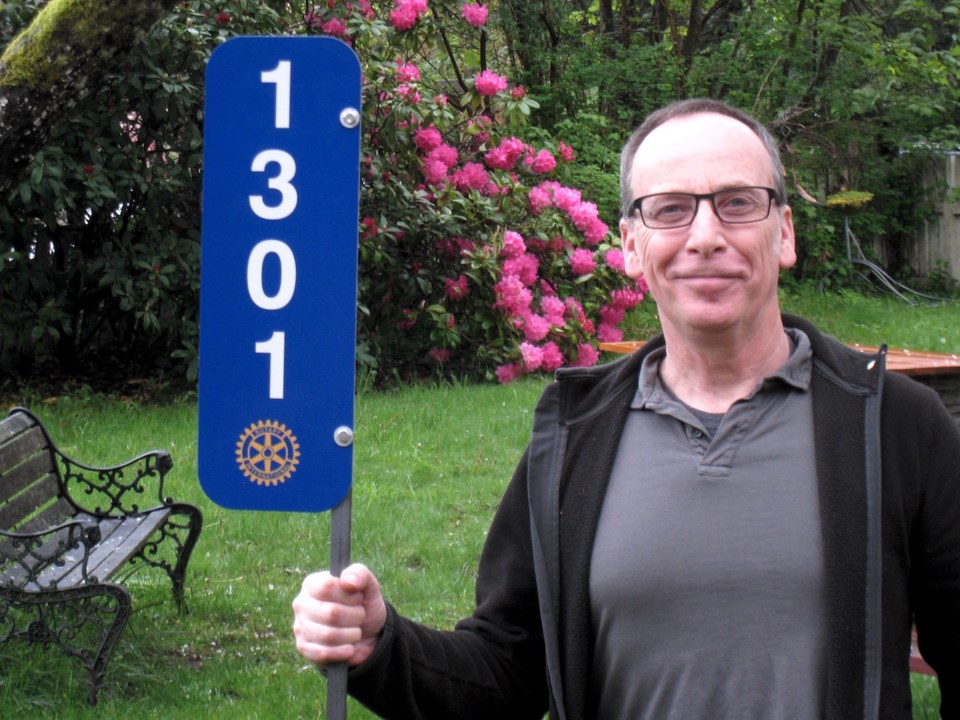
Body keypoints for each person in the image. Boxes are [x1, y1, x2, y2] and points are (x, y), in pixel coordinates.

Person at [292, 98, 960, 719]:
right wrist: (381, 643)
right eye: (670, 209)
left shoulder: (893, 424)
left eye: (737, 203)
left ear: (784, 233)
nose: (704, 236)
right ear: (631, 245)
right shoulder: (576, 434)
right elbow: (507, 670)